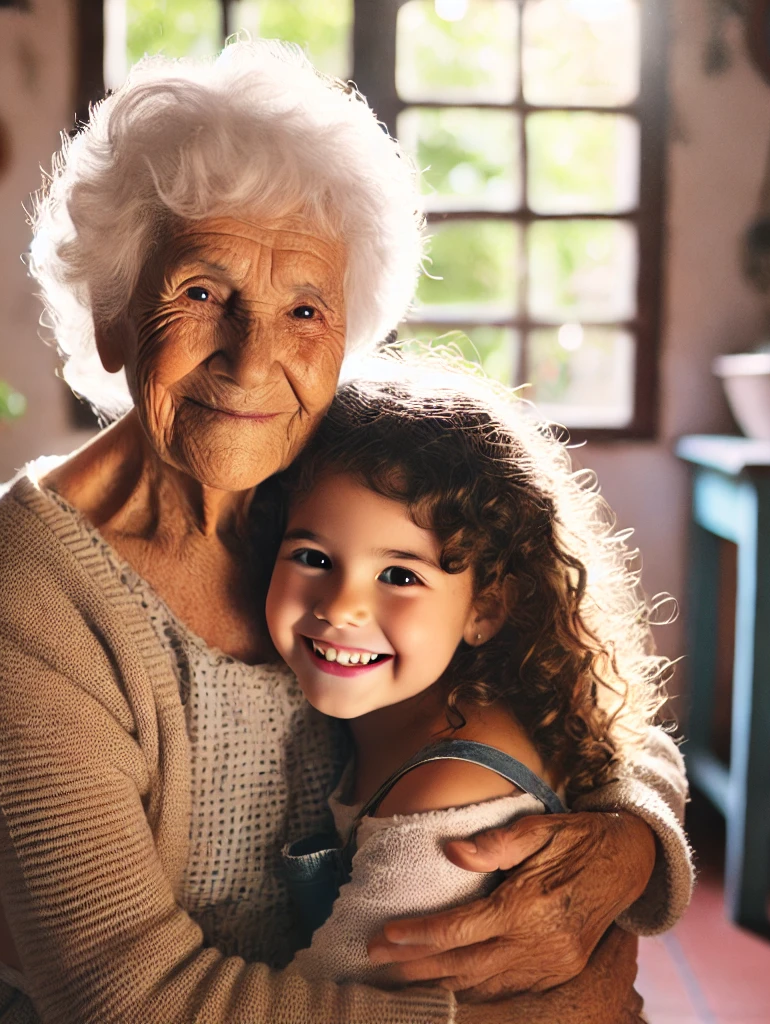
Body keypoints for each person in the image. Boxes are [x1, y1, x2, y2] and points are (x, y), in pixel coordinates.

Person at [0, 40, 692, 1024]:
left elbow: (581, 689)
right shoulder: (27, 582)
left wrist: (629, 845)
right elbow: (127, 999)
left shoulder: (336, 473)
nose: (253, 359)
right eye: (200, 293)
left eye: (305, 308)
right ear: (111, 312)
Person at [262, 355, 676, 988]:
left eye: (399, 575)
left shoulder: (446, 802)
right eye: (313, 557)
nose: (342, 607)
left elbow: (327, 1001)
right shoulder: (419, 707)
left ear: (484, 609)